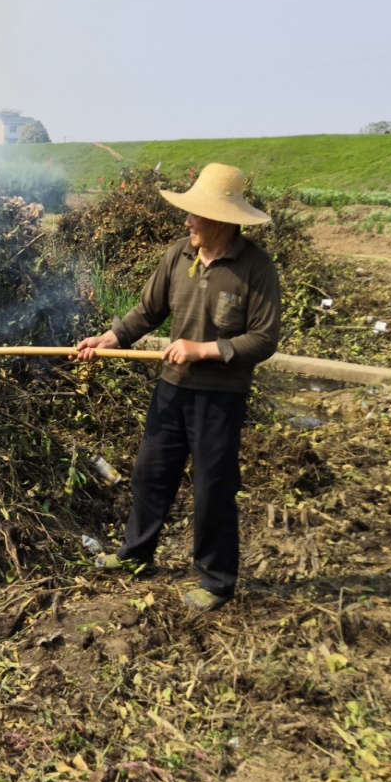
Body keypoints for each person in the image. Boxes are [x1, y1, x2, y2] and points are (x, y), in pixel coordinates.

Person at [76, 163, 281, 611]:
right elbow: (146, 312)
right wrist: (106, 340)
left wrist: (202, 349)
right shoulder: (178, 255)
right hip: (171, 389)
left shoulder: (254, 268)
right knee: (150, 473)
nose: (187, 221)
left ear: (223, 220)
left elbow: (264, 339)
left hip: (219, 398)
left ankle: (217, 580)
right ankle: (136, 555)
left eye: (196, 214)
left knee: (213, 487)